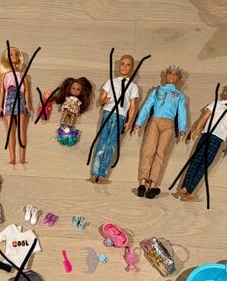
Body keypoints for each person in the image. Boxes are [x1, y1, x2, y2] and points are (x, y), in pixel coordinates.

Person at [133, 65, 187, 199]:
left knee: (160, 153)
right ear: (165, 75)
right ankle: (143, 182)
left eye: (175, 75)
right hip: (155, 121)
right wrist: (139, 122)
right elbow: (147, 107)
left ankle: (153, 185)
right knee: (148, 150)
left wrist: (182, 128)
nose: (172, 76)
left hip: (169, 124)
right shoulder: (157, 90)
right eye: (170, 73)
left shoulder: (179, 96)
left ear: (179, 79)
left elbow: (182, 112)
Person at [89, 55, 139, 183]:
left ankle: (102, 174)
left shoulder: (133, 86)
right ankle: (94, 173)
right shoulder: (111, 82)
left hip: (120, 116)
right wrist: (103, 100)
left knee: (111, 144)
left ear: (132, 68)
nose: (124, 67)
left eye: (128, 65)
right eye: (122, 64)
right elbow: (101, 99)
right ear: (118, 66)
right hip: (108, 113)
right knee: (102, 142)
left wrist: (129, 122)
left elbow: (133, 105)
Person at [178, 86, 227, 201]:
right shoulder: (216, 103)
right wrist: (197, 129)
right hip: (207, 134)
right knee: (196, 160)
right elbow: (205, 117)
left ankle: (189, 191)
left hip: (219, 139)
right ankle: (185, 187)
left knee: (204, 165)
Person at [0, 46, 31, 165]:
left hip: (20, 99)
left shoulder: (22, 74)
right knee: (10, 130)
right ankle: (12, 158)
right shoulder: (4, 76)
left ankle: (22, 158)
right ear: (7, 58)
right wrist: (0, 106)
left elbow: (26, 91)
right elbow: (2, 92)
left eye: (16, 54)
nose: (14, 57)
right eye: (11, 54)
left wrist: (28, 104)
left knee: (21, 130)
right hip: (9, 100)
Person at [52, 76, 92, 147]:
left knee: (73, 116)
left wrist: (77, 109)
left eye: (78, 89)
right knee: (64, 113)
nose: (75, 91)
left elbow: (78, 105)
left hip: (73, 110)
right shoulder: (68, 98)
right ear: (69, 89)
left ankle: (71, 124)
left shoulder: (77, 100)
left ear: (81, 92)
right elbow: (65, 102)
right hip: (67, 108)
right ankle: (62, 121)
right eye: (73, 88)